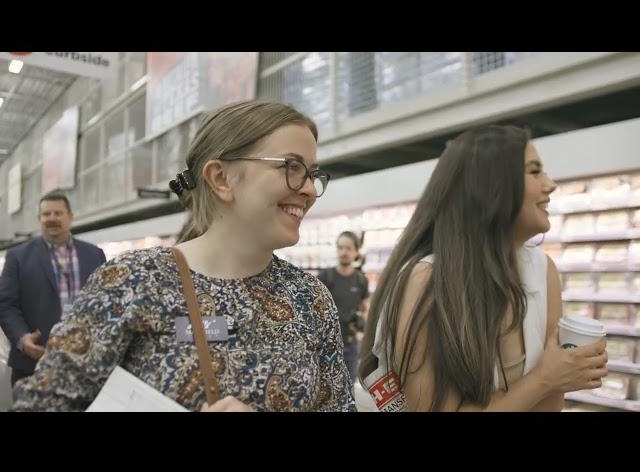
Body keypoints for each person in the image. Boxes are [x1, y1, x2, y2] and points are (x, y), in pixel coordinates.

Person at [12, 100, 355, 412]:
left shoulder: (311, 299)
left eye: (311, 173)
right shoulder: (133, 282)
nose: (309, 189)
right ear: (221, 178)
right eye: (291, 168)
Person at [358, 125, 608, 412]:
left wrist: (569, 372)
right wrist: (547, 378)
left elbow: (549, 407)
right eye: (534, 171)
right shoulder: (427, 281)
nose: (550, 184)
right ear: (492, 185)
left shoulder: (543, 271)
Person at [0, 191, 106, 387]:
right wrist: (22, 339)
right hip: (33, 364)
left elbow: (106, 301)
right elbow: (6, 304)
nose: (52, 219)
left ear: (70, 217)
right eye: (46, 214)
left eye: (58, 213)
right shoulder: (18, 257)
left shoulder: (94, 254)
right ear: (39, 219)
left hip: (85, 362)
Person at [318, 231, 369, 383]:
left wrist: (362, 327)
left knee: (348, 387)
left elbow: (364, 308)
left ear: (356, 252)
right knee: (324, 387)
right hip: (326, 344)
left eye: (348, 248)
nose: (343, 252)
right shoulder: (325, 277)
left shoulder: (361, 280)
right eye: (340, 248)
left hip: (351, 345)